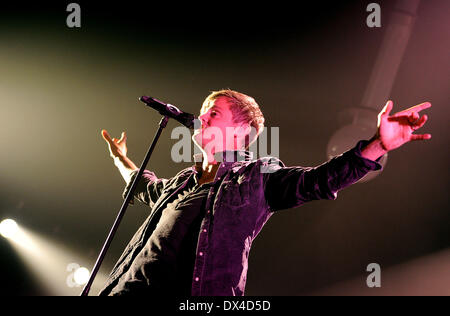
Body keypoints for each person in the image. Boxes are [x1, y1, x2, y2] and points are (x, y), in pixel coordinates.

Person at [98, 89, 431, 296]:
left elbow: (318, 181)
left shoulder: (257, 177)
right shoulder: (183, 181)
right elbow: (143, 187)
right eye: (203, 112)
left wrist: (377, 145)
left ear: (242, 130)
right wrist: (121, 158)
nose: (201, 118)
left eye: (213, 112)